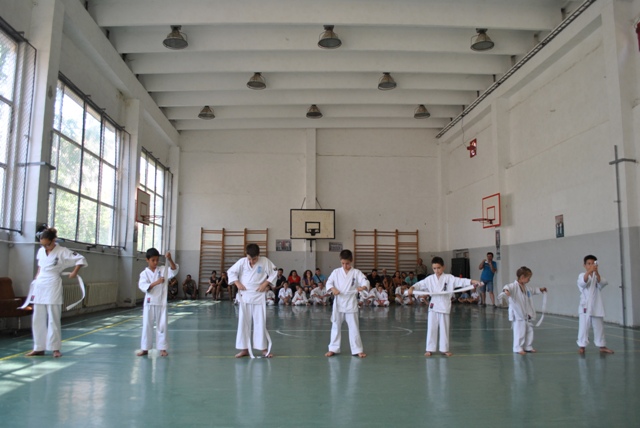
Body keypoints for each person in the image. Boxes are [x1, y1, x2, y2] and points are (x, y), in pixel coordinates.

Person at [25, 227, 87, 358]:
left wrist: (74, 272)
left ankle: (55, 348)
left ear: (54, 240)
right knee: (37, 317)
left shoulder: (62, 251)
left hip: (53, 283)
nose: (45, 247)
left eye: (47, 244)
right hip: (40, 284)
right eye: (43, 244)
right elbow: (40, 267)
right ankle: (38, 347)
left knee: (53, 317)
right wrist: (36, 279)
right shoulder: (41, 251)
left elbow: (80, 259)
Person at [408, 257, 480, 357]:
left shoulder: (449, 278)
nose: (437, 270)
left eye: (439, 268)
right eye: (434, 268)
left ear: (443, 267)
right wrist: (412, 287)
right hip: (433, 305)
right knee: (431, 328)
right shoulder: (430, 279)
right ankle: (429, 349)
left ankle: (444, 349)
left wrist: (473, 281)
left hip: (444, 305)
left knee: (444, 328)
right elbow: (419, 284)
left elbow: (461, 281)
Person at [228, 244, 278, 358]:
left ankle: (263, 349)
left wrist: (265, 284)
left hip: (258, 294)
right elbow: (231, 272)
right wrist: (237, 283)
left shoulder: (264, 261)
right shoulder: (242, 262)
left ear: (258, 255)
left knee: (260, 322)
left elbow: (274, 272)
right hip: (245, 295)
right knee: (243, 322)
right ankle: (244, 349)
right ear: (246, 255)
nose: (252, 261)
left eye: (254, 259)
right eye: (249, 259)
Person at [325, 249, 370, 358]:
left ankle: (357, 349)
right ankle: (333, 348)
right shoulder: (336, 272)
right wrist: (333, 289)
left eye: (347, 263)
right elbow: (329, 282)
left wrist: (363, 287)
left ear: (352, 260)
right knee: (335, 326)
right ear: (340, 261)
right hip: (338, 303)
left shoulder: (356, 272)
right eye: (343, 263)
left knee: (354, 327)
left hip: (351, 303)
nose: (345, 266)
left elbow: (365, 281)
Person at [137, 248, 179, 357]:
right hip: (149, 303)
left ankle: (162, 349)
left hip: (161, 302)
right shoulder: (144, 273)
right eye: (153, 260)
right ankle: (145, 348)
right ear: (147, 260)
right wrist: (157, 282)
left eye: (157, 260)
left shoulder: (162, 270)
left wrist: (170, 259)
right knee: (147, 325)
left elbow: (174, 270)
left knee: (162, 326)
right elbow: (143, 286)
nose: (155, 262)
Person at [502, 266, 547, 355]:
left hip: (527, 314)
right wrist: (506, 291)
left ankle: (528, 346)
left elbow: (533, 290)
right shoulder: (514, 286)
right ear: (522, 277)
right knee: (520, 331)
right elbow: (507, 287)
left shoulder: (526, 288)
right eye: (528, 278)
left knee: (529, 331)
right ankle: (517, 347)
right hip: (518, 314)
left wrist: (540, 290)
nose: (529, 280)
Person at [577, 255, 614, 354]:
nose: (591, 265)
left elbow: (603, 283)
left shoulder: (598, 277)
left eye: (593, 263)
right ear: (584, 265)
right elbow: (582, 283)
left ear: (596, 265)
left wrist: (596, 272)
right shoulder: (582, 275)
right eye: (588, 264)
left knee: (599, 327)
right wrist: (589, 272)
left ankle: (602, 346)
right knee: (583, 327)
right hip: (585, 306)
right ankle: (582, 346)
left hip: (597, 305)